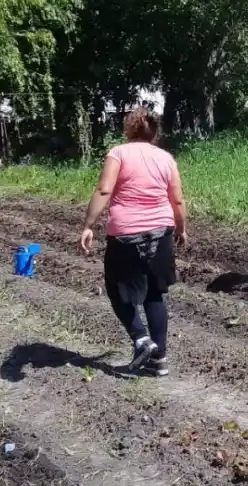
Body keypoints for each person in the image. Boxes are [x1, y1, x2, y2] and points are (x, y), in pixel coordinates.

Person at [79, 107, 188, 377]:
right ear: (154, 132)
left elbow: (104, 189)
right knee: (154, 293)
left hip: (126, 232)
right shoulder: (165, 158)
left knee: (116, 289)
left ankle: (141, 339)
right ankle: (159, 360)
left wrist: (88, 225)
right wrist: (181, 228)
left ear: (129, 129)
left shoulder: (118, 153)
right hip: (161, 230)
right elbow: (177, 199)